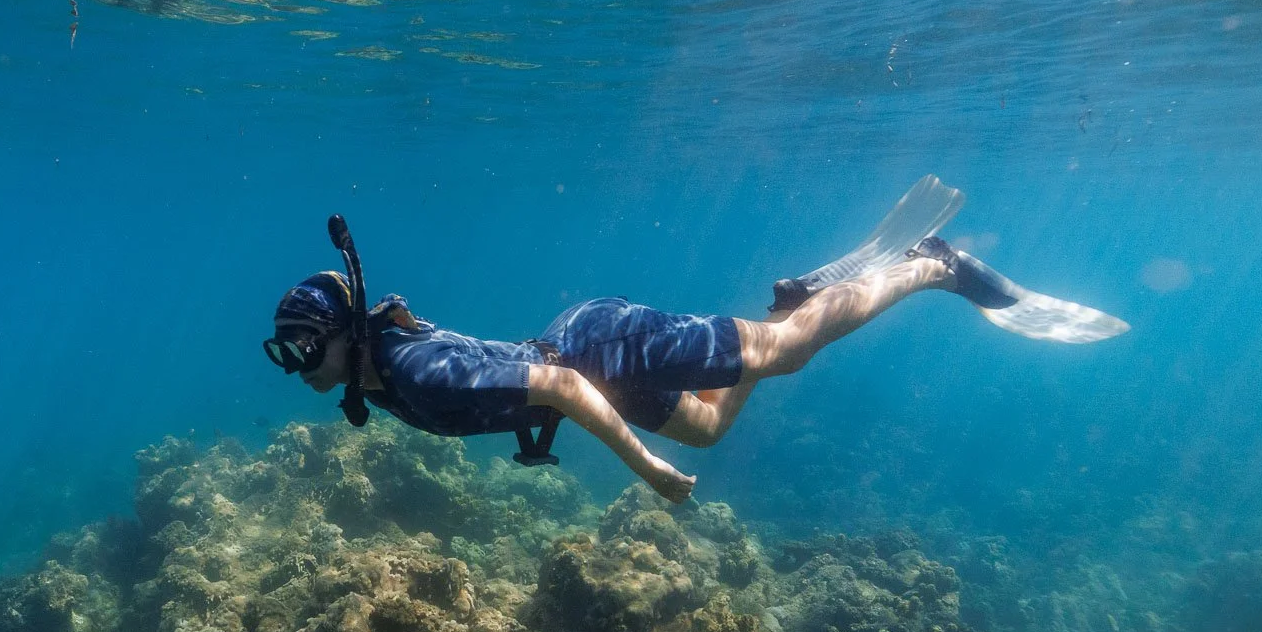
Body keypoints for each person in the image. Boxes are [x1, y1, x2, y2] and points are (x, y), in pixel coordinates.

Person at [262, 177, 1126, 504]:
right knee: (714, 424)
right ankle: (790, 307)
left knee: (785, 354)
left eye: (304, 348)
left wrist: (642, 467)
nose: (297, 366)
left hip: (603, 351)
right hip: (588, 361)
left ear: (341, 337)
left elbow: (558, 390)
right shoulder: (380, 376)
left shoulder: (417, 373)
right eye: (289, 353)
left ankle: (932, 267)